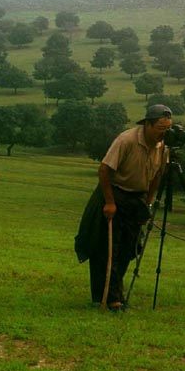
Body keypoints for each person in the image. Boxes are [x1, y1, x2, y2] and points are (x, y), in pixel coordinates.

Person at [74, 104, 172, 309]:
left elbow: (157, 177)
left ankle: (115, 295)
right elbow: (104, 170)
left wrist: (147, 204)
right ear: (147, 124)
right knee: (109, 249)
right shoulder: (126, 140)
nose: (164, 134)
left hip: (137, 199)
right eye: (160, 129)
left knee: (128, 249)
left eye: (168, 129)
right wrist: (109, 203)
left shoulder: (163, 148)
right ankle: (108, 299)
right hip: (114, 193)